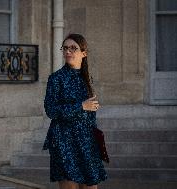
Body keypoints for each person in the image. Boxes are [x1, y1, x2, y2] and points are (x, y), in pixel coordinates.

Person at [42, 33, 108, 189]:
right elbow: (51, 111)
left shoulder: (87, 78)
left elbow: (90, 113)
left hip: (87, 142)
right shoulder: (56, 78)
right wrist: (81, 106)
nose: (68, 51)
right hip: (64, 141)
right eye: (65, 48)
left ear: (83, 53)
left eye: (73, 48)